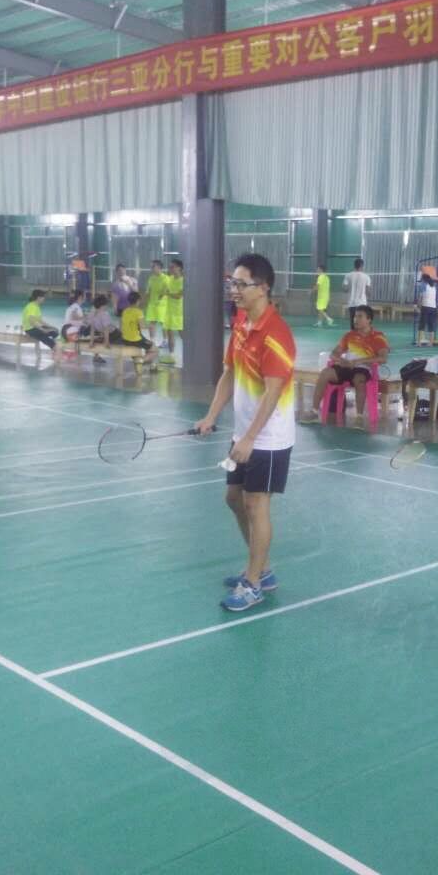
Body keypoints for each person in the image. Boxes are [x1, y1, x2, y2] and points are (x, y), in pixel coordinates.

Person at [195, 253, 296, 613]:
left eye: (241, 284)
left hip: (269, 437)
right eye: (232, 283)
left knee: (256, 503)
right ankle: (261, 568)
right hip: (244, 432)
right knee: (233, 498)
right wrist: (211, 415)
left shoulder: (276, 334)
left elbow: (273, 392)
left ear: (263, 287)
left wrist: (251, 438)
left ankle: (254, 582)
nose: (234, 290)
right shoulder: (240, 323)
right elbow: (230, 373)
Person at [300, 304, 389, 426]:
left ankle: (359, 417)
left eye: (360, 316)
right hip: (345, 367)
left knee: (359, 379)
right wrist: (341, 361)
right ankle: (314, 411)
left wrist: (359, 361)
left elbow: (383, 358)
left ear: (369, 319)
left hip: (363, 368)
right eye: (355, 317)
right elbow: (333, 354)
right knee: (325, 373)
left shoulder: (378, 337)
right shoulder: (349, 335)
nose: (355, 319)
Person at [119, 290, 159, 368]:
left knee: (147, 345)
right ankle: (141, 360)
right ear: (138, 301)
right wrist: (151, 326)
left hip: (125, 339)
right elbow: (142, 326)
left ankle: (145, 361)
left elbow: (121, 326)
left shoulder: (125, 311)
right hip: (135, 340)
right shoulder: (138, 312)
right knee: (155, 350)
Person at [343, 257, 371, 329]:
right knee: (362, 324)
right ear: (362, 266)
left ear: (354, 265)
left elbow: (345, 289)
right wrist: (368, 295)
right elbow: (368, 292)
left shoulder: (348, 275)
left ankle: (353, 335)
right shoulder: (367, 277)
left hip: (352, 303)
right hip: (362, 304)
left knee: (353, 323)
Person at [144, 259, 168, 343]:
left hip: (162, 305)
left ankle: (165, 341)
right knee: (151, 323)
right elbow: (148, 291)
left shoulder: (166, 278)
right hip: (152, 305)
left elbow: (167, 291)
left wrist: (163, 294)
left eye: (153, 266)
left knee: (164, 323)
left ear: (159, 267)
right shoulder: (151, 278)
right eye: (151, 267)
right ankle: (152, 341)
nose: (151, 268)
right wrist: (145, 302)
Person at [164, 259, 184, 354]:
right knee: (169, 333)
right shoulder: (170, 278)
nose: (170, 269)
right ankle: (171, 354)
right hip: (169, 310)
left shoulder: (183, 280)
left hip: (178, 311)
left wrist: (168, 294)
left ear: (179, 268)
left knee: (182, 333)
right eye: (170, 267)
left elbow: (178, 296)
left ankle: (190, 353)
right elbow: (167, 290)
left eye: (172, 267)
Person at [416, 271, 438, 346]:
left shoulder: (423, 285)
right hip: (433, 307)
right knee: (431, 325)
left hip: (425, 307)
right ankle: (431, 343)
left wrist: (417, 306)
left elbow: (420, 297)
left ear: (423, 279)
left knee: (422, 325)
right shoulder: (434, 286)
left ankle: (419, 343)